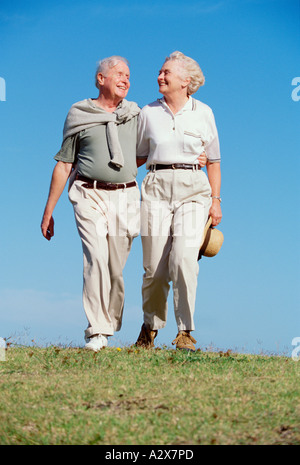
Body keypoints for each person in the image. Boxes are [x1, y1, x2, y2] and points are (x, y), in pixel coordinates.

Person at [41, 56, 141, 351]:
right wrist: (49, 211)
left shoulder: (135, 114)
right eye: (119, 74)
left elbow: (154, 148)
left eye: (128, 76)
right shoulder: (79, 113)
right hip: (88, 193)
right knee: (95, 257)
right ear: (101, 79)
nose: (126, 80)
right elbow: (63, 165)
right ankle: (96, 330)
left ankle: (108, 323)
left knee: (115, 268)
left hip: (126, 195)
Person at [135, 51, 222, 352]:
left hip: (193, 191)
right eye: (160, 71)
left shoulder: (204, 112)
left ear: (186, 81)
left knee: (184, 258)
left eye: (166, 72)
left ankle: (185, 331)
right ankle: (150, 327)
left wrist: (216, 200)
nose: (160, 76)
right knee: (154, 270)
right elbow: (137, 156)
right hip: (156, 187)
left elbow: (213, 161)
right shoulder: (147, 112)